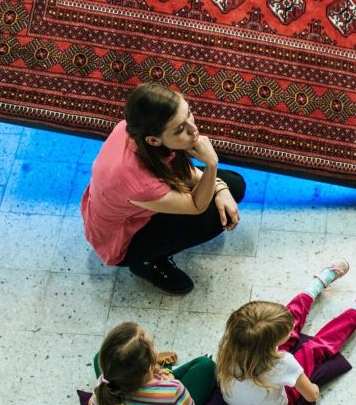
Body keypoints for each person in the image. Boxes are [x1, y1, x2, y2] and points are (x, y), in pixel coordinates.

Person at [81, 81, 245, 294]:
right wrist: (211, 164)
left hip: (124, 206)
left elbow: (177, 170)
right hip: (124, 240)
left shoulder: (131, 129)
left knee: (233, 185)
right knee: (217, 217)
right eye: (180, 130)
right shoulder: (137, 181)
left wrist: (220, 188)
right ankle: (147, 261)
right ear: (154, 140)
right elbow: (196, 205)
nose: (193, 129)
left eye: (189, 113)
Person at [215, 259, 356, 405]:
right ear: (272, 345)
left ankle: (315, 287)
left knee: (277, 322)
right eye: (288, 332)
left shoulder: (230, 337)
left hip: (238, 402)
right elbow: (311, 395)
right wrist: (314, 387)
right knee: (313, 349)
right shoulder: (283, 363)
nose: (292, 329)